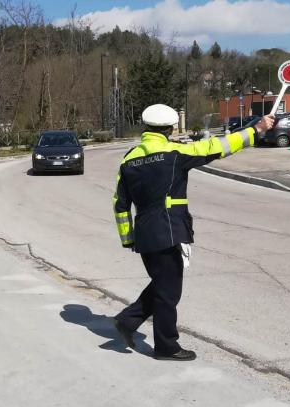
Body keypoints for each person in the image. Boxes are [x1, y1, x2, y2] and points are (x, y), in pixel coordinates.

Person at [112, 104, 275, 361]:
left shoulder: (129, 159)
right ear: (170, 128)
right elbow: (218, 147)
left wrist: (128, 238)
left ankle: (127, 321)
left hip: (145, 235)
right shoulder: (175, 152)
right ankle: (166, 347)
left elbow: (120, 204)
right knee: (169, 292)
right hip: (169, 231)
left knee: (163, 284)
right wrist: (256, 129)